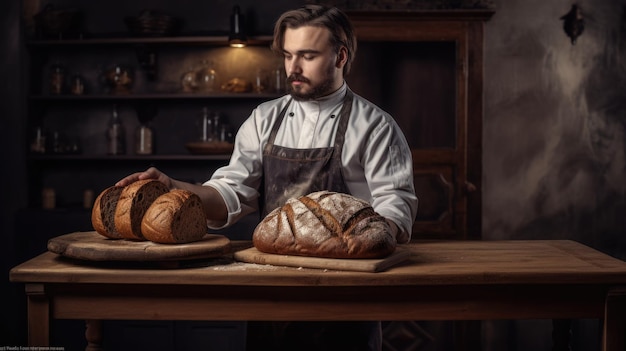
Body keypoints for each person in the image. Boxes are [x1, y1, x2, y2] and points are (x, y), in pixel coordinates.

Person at [116, 4, 418, 351]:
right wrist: (176, 189)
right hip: (272, 293)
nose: (293, 67)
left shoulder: (375, 127)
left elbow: (395, 211)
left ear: (340, 56)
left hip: (345, 299)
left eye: (307, 55)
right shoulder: (264, 119)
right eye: (288, 55)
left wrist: (367, 238)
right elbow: (231, 193)